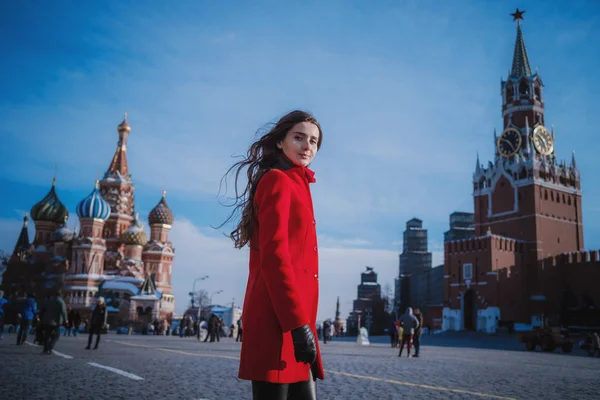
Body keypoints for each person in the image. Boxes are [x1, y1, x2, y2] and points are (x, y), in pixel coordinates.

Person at [221, 110, 324, 399]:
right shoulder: (277, 181)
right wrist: (296, 323)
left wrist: (301, 323)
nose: (308, 146)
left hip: (294, 320)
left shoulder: (297, 184)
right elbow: (275, 258)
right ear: (281, 142)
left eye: (314, 141)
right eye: (299, 137)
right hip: (277, 321)